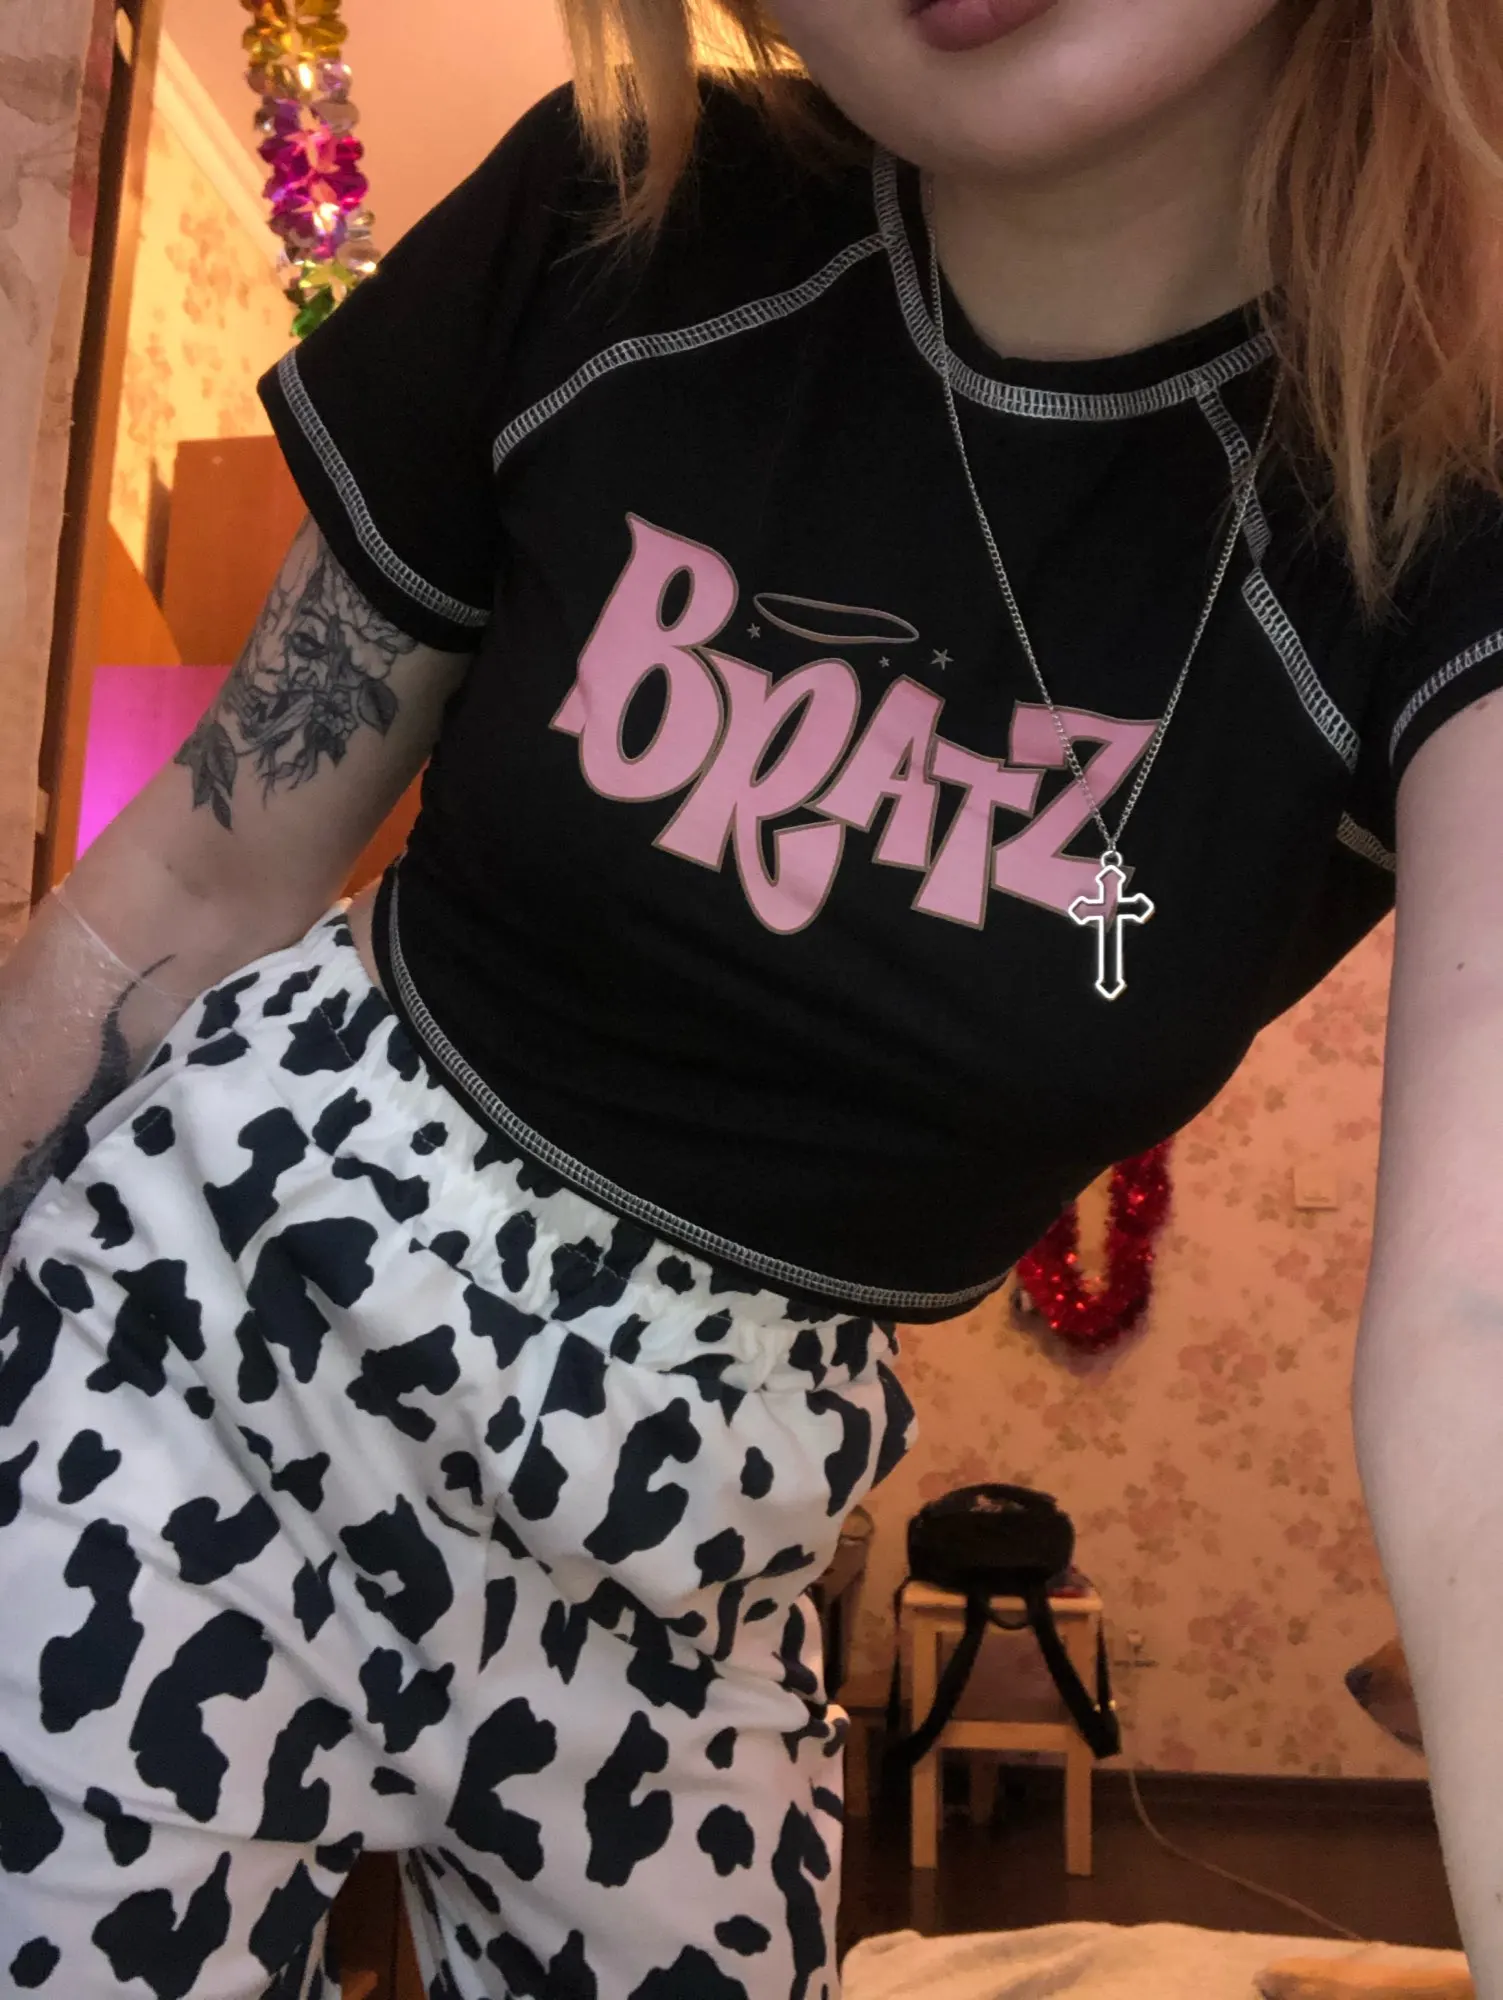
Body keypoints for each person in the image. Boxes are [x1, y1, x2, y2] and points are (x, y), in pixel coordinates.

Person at [2, 0, 1501, 1991]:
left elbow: (1481, 1321)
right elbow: (197, 876)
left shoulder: (1449, 491)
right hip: (204, 1363)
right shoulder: (616, 220)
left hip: (706, 1552)